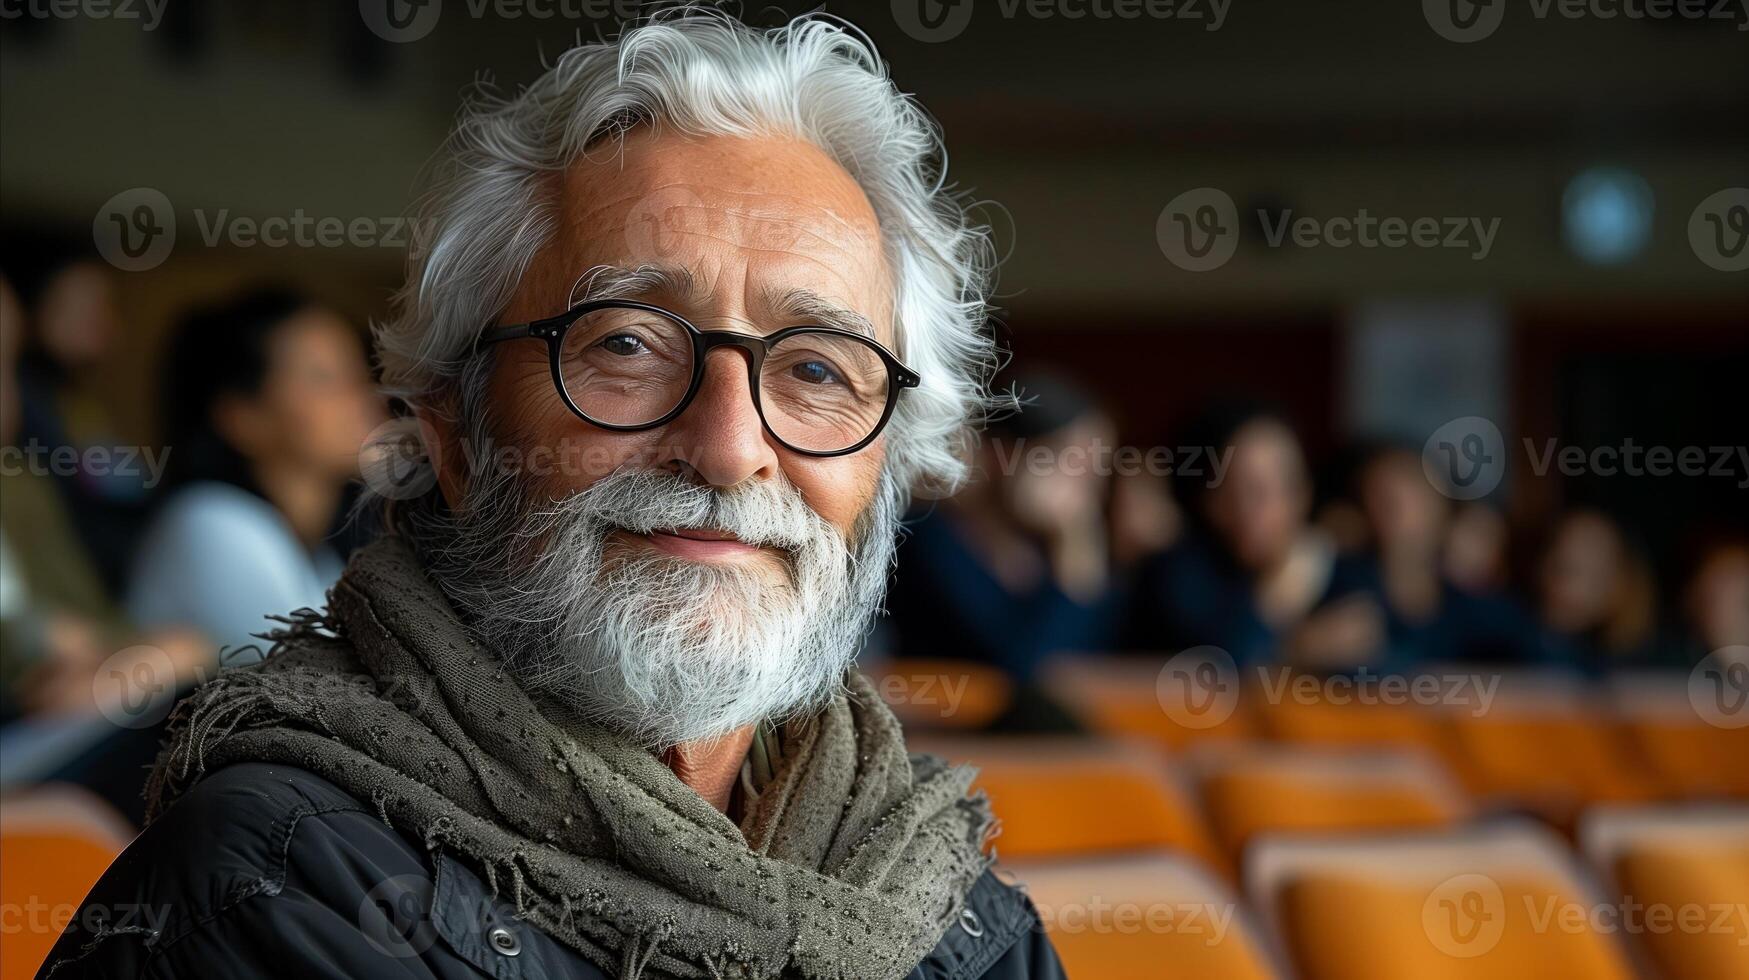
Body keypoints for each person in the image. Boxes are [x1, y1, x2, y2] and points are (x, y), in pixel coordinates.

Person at [47, 13, 1064, 979]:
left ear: (887, 462)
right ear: (453, 429)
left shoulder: (949, 905)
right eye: (626, 344)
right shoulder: (276, 888)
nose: (727, 446)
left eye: (816, 370)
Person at [125, 288, 383, 658]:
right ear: (241, 417)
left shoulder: (320, 553)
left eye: (358, 373)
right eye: (323, 377)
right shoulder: (208, 521)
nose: (360, 396)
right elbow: (323, 674)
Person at [886, 372, 1118, 683]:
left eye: (1096, 468)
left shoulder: (1043, 545)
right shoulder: (929, 537)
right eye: (1071, 463)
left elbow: (1099, 664)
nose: (1086, 489)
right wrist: (1074, 541)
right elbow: (1028, 672)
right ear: (1004, 453)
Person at [1127, 405, 1364, 667]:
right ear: (1211, 501)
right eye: (1249, 488)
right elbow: (1216, 669)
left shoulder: (1330, 562)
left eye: (1286, 484)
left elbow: (1378, 658)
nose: (1270, 505)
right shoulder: (1176, 573)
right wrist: (1279, 604)